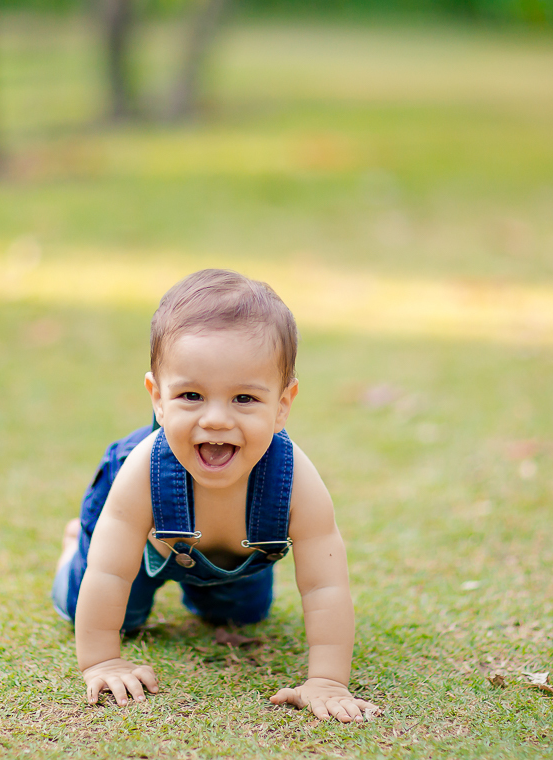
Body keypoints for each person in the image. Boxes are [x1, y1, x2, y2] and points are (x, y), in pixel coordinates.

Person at [52, 268, 377, 723]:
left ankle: (213, 590)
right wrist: (102, 661)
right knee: (112, 613)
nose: (217, 419)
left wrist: (327, 681)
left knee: (245, 614)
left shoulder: (296, 481)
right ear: (158, 398)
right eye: (191, 395)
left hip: (232, 557)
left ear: (282, 405)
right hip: (142, 543)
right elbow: (109, 572)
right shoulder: (142, 470)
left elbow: (325, 586)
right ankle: (74, 546)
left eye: (244, 398)